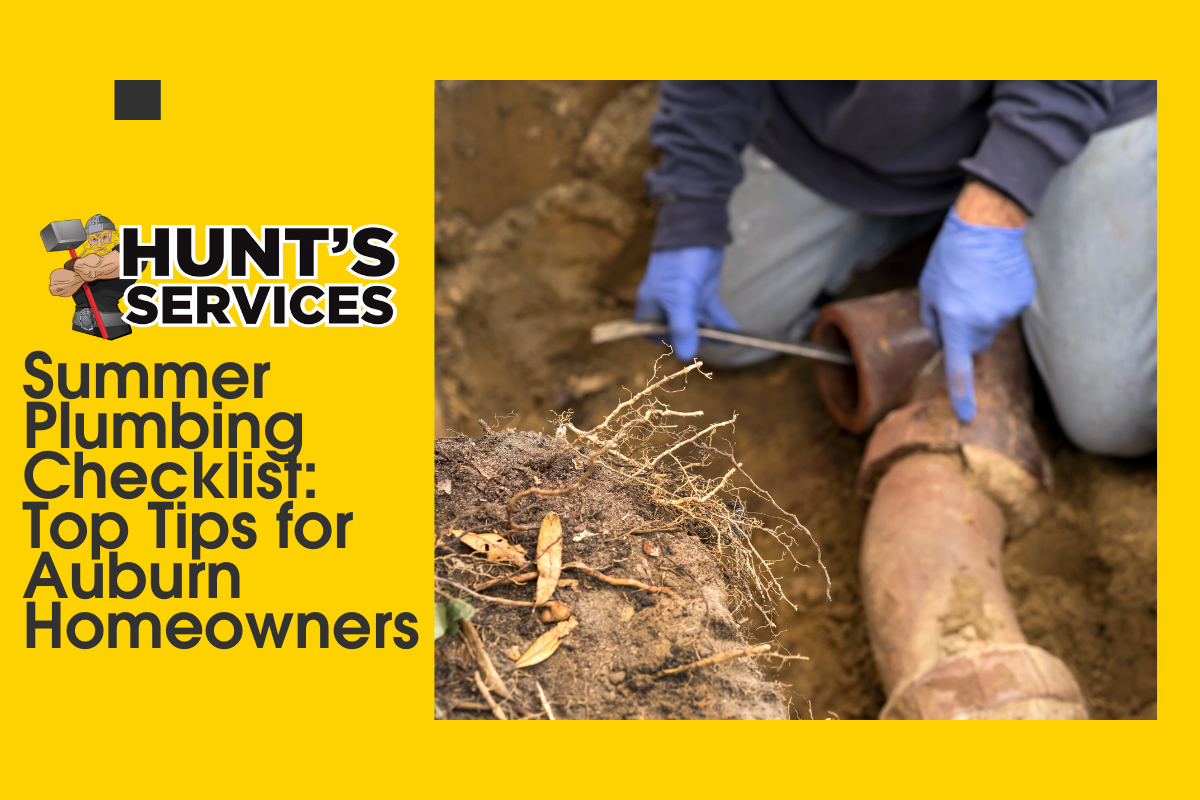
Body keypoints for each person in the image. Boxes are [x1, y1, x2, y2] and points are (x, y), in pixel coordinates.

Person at [635, 81, 1156, 456]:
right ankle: (928, 219)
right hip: (847, 118)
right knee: (722, 329)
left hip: (1087, 97)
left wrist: (998, 203)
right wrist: (692, 205)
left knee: (1113, 417)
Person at [49, 214, 137, 339]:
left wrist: (74, 268)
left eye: (105, 237)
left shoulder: (132, 250)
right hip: (78, 331)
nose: (100, 244)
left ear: (115, 235)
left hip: (111, 330)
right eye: (93, 239)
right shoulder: (82, 261)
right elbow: (57, 285)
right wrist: (83, 269)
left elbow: (95, 267)